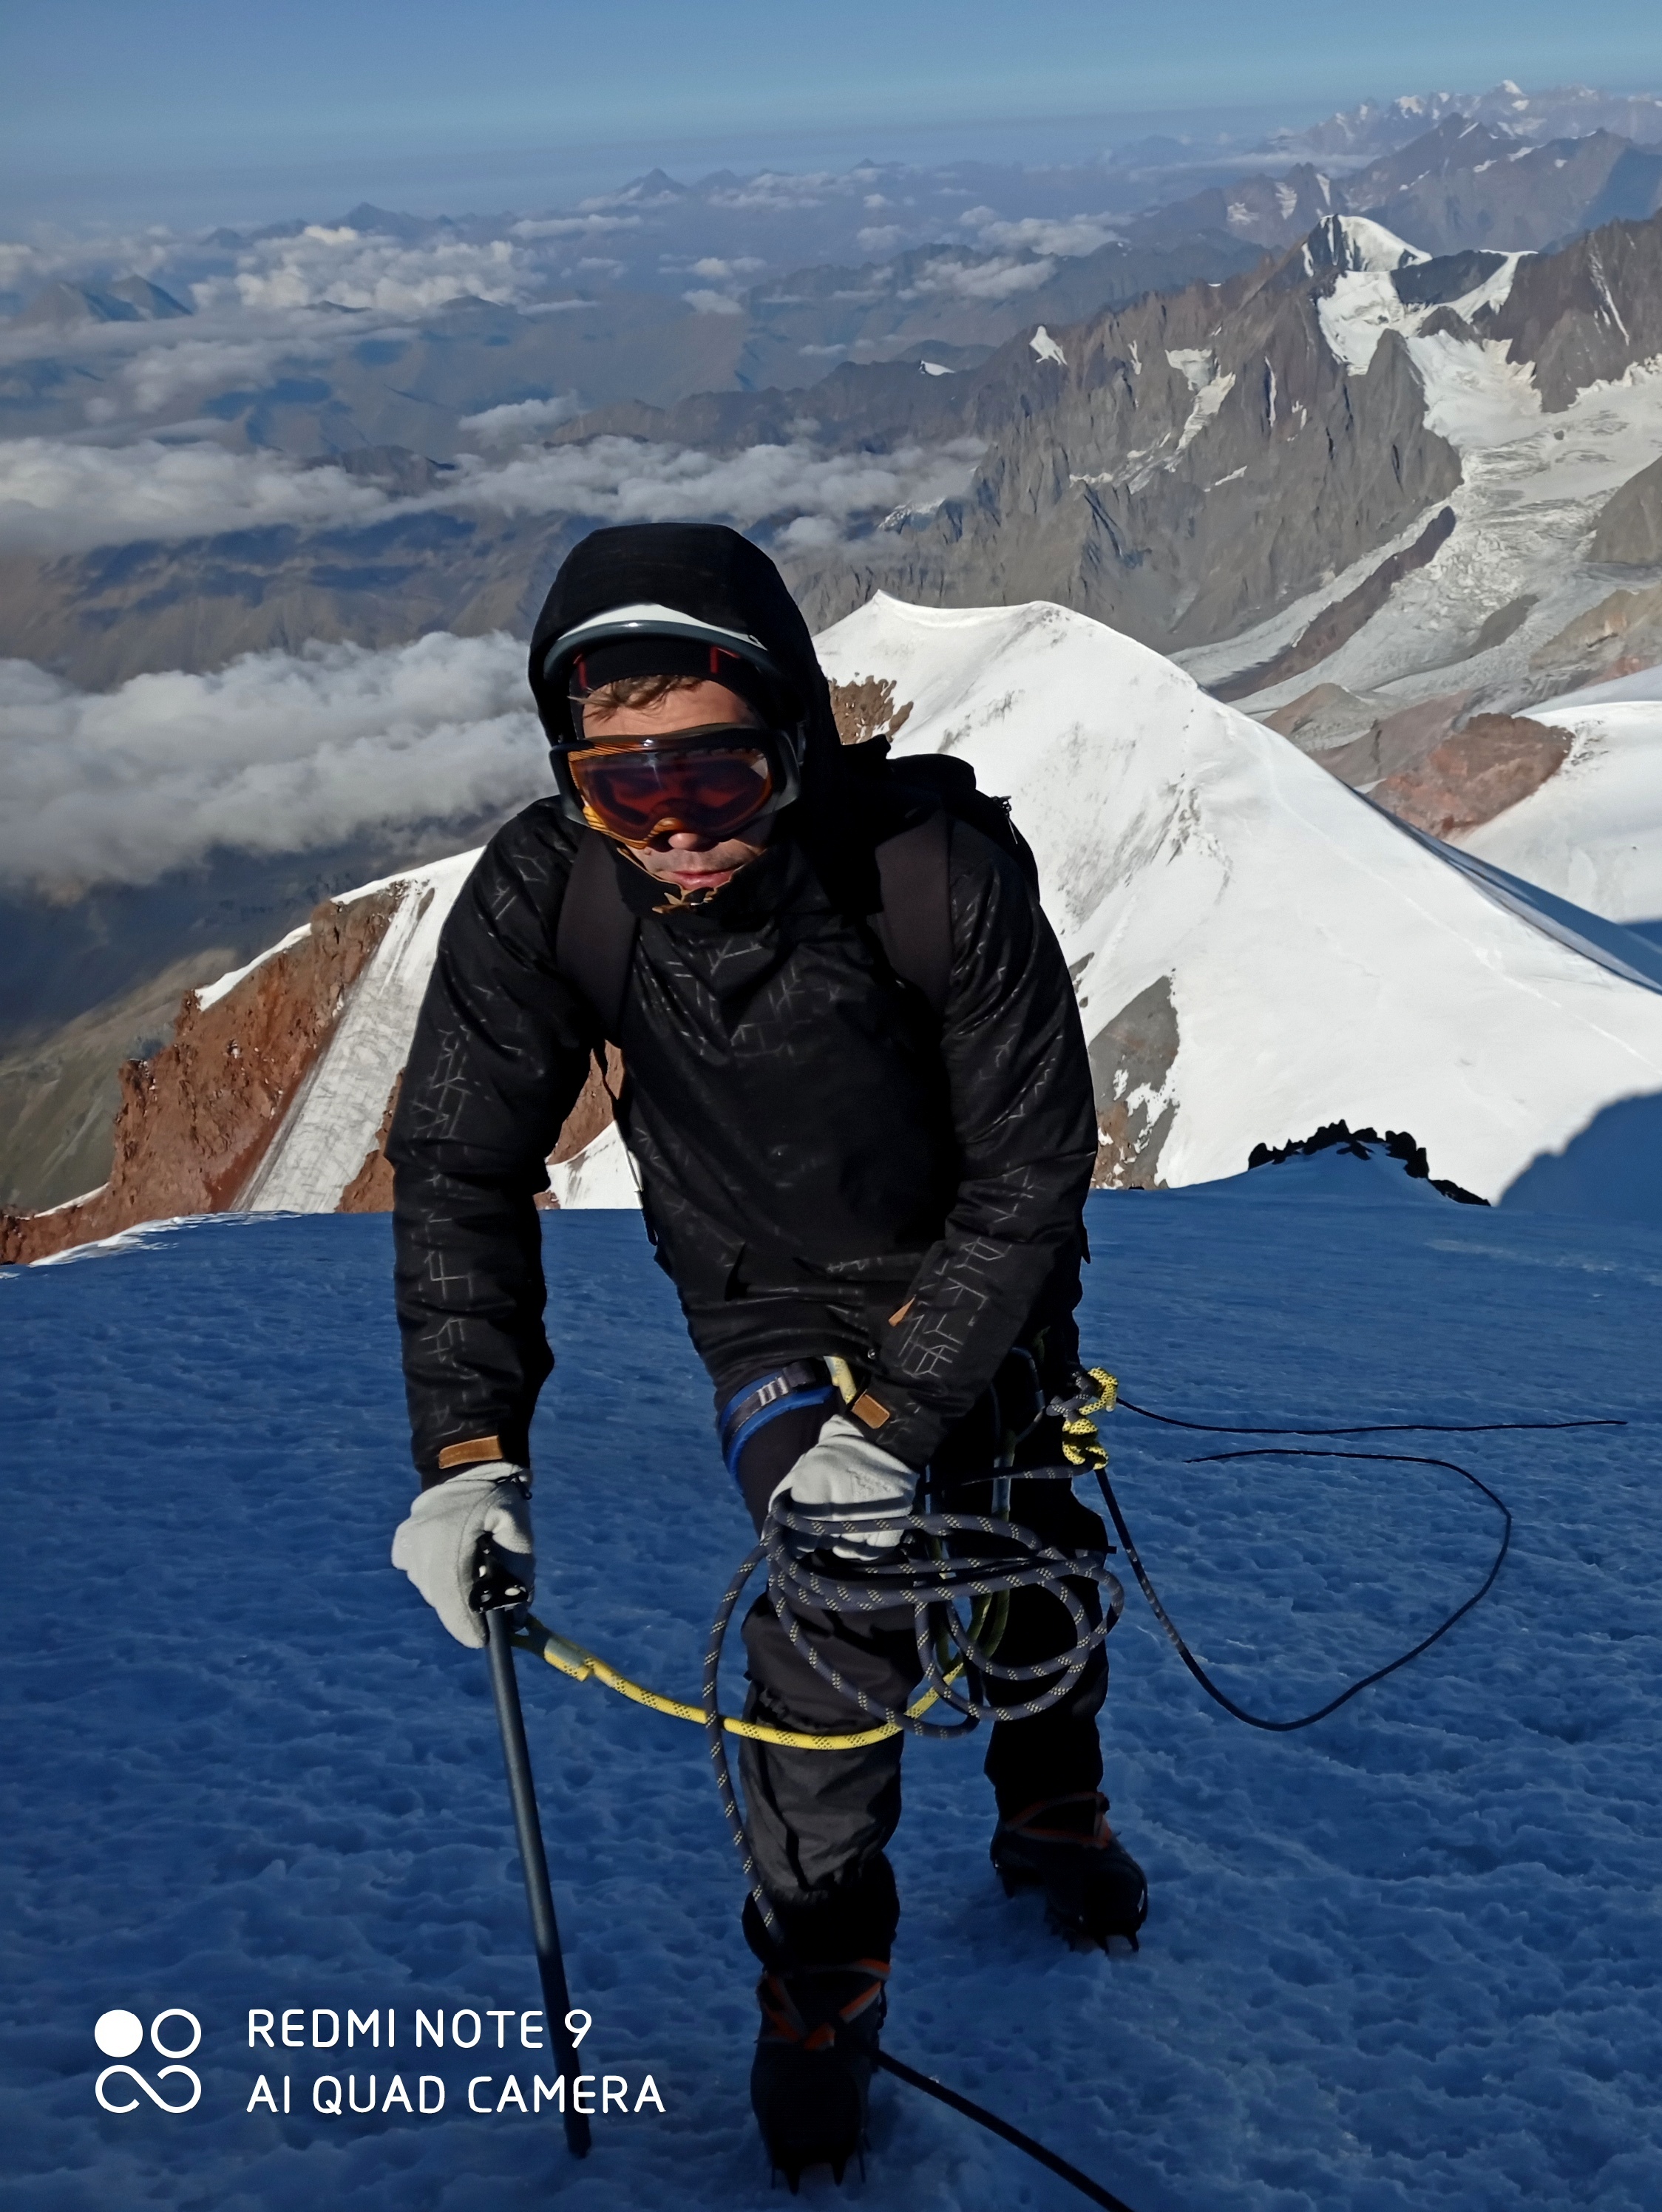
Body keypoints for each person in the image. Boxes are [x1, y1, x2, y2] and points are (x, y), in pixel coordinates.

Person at [381, 522, 1131, 2181]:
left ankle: (1049, 1797)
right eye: (621, 787)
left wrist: (908, 1408)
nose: (673, 828)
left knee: (1023, 1529)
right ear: (572, 778)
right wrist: (468, 1452)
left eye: (713, 775)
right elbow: (458, 1163)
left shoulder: (936, 871)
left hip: (978, 1270)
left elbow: (1029, 1171)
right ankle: (821, 1970)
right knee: (844, 1584)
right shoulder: (550, 893)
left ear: (791, 738)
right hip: (765, 1301)